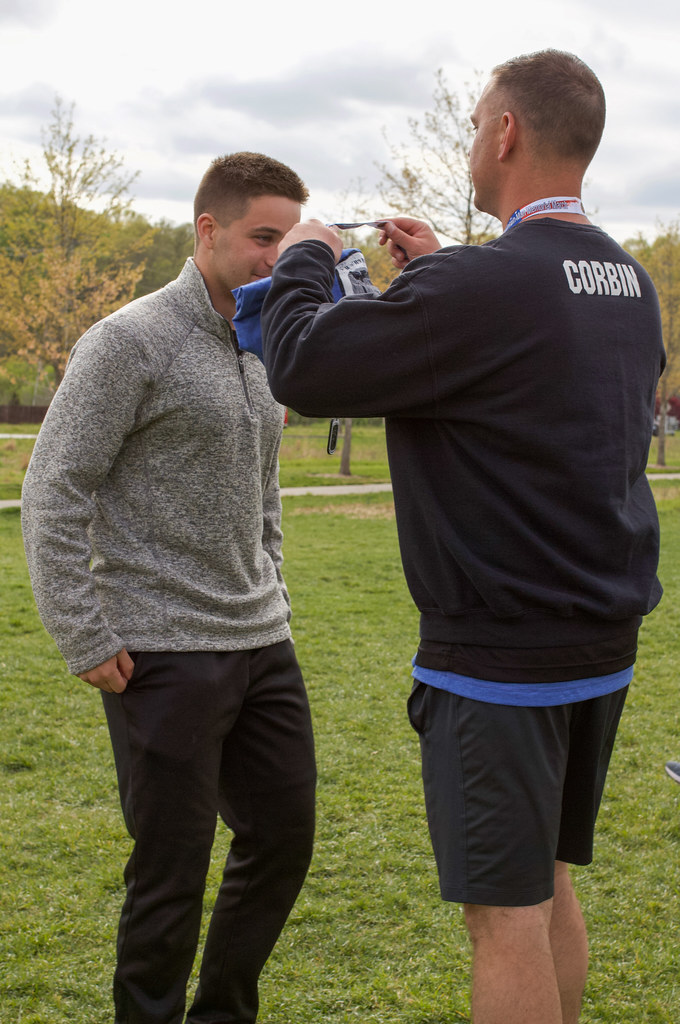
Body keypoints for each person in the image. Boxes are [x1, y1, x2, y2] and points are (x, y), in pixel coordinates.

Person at [258, 50, 664, 1024]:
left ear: (505, 132)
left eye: (477, 121)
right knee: (547, 882)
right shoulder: (628, 279)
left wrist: (306, 252)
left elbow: (303, 365)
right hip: (599, 643)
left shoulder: (481, 287)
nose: (474, 137)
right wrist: (441, 269)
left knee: (503, 916)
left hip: (500, 659)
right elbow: (527, 353)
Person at [21, 151, 317, 1024]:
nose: (276, 256)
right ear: (208, 229)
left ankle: (222, 1012)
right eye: (263, 236)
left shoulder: (263, 342)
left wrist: (272, 578)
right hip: (160, 651)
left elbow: (263, 483)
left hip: (261, 641)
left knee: (284, 841)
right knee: (170, 872)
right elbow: (53, 489)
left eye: (289, 237)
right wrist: (83, 632)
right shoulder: (128, 340)